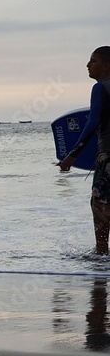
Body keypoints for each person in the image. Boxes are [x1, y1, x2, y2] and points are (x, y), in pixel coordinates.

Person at [59, 46, 110, 254]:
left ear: (106, 66)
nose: (88, 65)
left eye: (93, 61)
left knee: (100, 207)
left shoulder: (100, 88)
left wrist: (72, 155)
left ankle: (101, 256)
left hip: (108, 156)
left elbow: (92, 123)